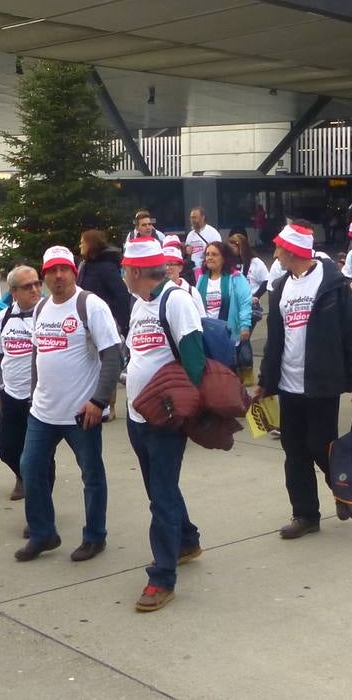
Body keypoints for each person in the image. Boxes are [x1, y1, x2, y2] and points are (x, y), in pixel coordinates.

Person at [254, 223, 352, 539]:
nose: (274, 252)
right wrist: (266, 381)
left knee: (321, 445)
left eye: (278, 247)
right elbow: (274, 340)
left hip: (322, 382)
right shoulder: (278, 287)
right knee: (294, 451)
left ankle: (344, 487)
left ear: (292, 251)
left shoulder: (333, 283)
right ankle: (305, 515)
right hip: (288, 385)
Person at [15, 247, 124, 562]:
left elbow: (112, 355)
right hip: (43, 412)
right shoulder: (41, 309)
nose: (58, 276)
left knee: (91, 474)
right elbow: (38, 355)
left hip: (81, 413)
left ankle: (95, 537)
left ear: (73, 272)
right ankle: (43, 533)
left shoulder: (90, 305)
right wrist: (34, 395)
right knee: (30, 468)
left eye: (64, 269)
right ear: (44, 274)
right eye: (51, 270)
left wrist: (98, 401)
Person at [121, 236, 206, 612]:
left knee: (161, 494)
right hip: (138, 416)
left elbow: (194, 362)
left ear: (137, 271)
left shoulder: (178, 301)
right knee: (161, 490)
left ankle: (162, 577)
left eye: (125, 270)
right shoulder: (139, 303)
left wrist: (181, 412)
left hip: (165, 419)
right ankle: (187, 540)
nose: (123, 275)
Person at [0, 267, 39, 502]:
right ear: (14, 292)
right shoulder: (2, 318)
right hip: (11, 395)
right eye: (28, 286)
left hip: (40, 398)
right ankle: (23, 475)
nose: (36, 289)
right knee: (5, 446)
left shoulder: (46, 315)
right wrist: (0, 387)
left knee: (39, 453)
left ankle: (39, 510)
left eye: (37, 284)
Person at [195, 239, 252, 359]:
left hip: (229, 336)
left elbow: (244, 303)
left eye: (214, 254)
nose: (209, 257)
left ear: (224, 258)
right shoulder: (201, 278)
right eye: (207, 254)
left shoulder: (236, 278)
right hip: (206, 337)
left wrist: (245, 326)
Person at [78, 229, 133, 338]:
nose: (80, 246)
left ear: (90, 244)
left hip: (105, 323)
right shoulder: (84, 266)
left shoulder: (106, 267)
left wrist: (122, 323)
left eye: (82, 242)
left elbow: (122, 295)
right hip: (85, 322)